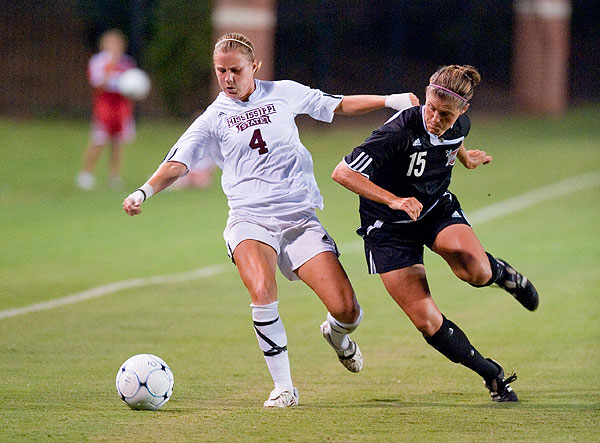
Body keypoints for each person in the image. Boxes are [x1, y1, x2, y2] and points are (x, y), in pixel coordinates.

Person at [122, 32, 419, 408]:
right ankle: (284, 388)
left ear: (254, 67)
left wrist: (390, 101)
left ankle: (339, 337)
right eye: (220, 71)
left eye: (235, 70)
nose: (228, 78)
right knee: (262, 292)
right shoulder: (213, 118)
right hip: (249, 219)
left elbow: (338, 104)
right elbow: (178, 162)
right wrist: (143, 192)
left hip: (298, 219)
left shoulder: (283, 92)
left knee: (347, 309)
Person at [332, 64, 539, 402]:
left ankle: (502, 274)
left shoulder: (460, 124)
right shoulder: (399, 130)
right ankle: (492, 375)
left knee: (476, 271)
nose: (435, 118)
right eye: (430, 107)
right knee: (427, 321)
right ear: (425, 97)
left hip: (433, 210)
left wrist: (466, 158)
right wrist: (394, 200)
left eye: (445, 113)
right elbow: (342, 173)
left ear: (462, 111)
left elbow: (453, 139)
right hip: (387, 228)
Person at [77, 29, 137, 190]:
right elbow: (98, 85)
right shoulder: (98, 61)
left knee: (118, 142)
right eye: (111, 44)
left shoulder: (127, 62)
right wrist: (110, 67)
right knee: (99, 139)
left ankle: (114, 176)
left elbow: (133, 85)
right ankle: (86, 174)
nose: (115, 47)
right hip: (105, 103)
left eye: (117, 44)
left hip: (122, 104)